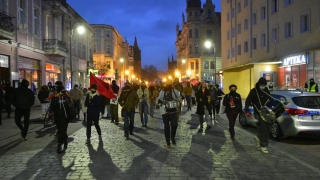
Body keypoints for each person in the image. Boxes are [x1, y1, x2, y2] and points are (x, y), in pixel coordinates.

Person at [245, 77, 273, 154]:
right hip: (258, 112)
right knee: (262, 129)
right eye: (262, 84)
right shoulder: (254, 91)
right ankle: (263, 146)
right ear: (259, 84)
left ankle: (258, 137)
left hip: (267, 113)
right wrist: (247, 110)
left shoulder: (266, 91)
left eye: (264, 85)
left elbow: (270, 100)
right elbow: (248, 101)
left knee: (268, 129)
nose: (263, 86)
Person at [157, 80, 180, 148]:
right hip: (165, 112)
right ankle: (168, 143)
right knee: (166, 127)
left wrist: (179, 100)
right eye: (167, 84)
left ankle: (172, 137)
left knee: (174, 125)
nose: (168, 85)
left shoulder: (174, 90)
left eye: (169, 84)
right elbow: (158, 99)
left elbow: (178, 98)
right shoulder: (162, 91)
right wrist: (159, 101)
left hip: (173, 111)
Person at [50, 85, 71, 153]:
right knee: (61, 130)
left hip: (65, 117)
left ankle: (59, 145)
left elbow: (70, 107)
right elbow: (52, 107)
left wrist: (70, 116)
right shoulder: (55, 98)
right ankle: (65, 141)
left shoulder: (66, 97)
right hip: (57, 117)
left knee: (62, 130)